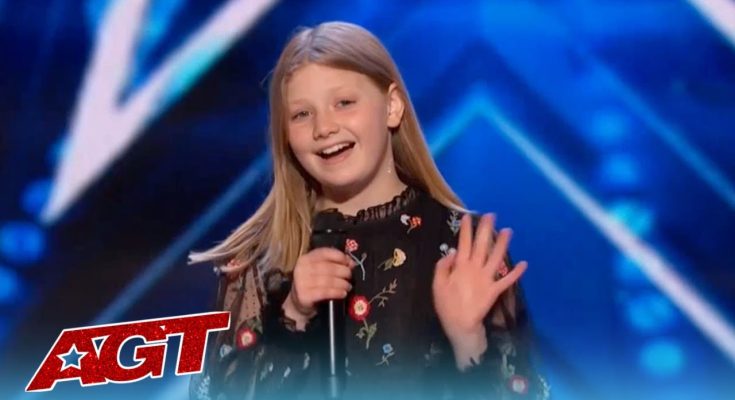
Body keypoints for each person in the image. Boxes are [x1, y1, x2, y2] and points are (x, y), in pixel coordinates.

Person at [188, 21, 550, 400]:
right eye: (302, 114)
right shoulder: (260, 261)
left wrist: (467, 339)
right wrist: (293, 314)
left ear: (391, 107)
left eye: (344, 103)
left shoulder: (461, 246)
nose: (324, 127)